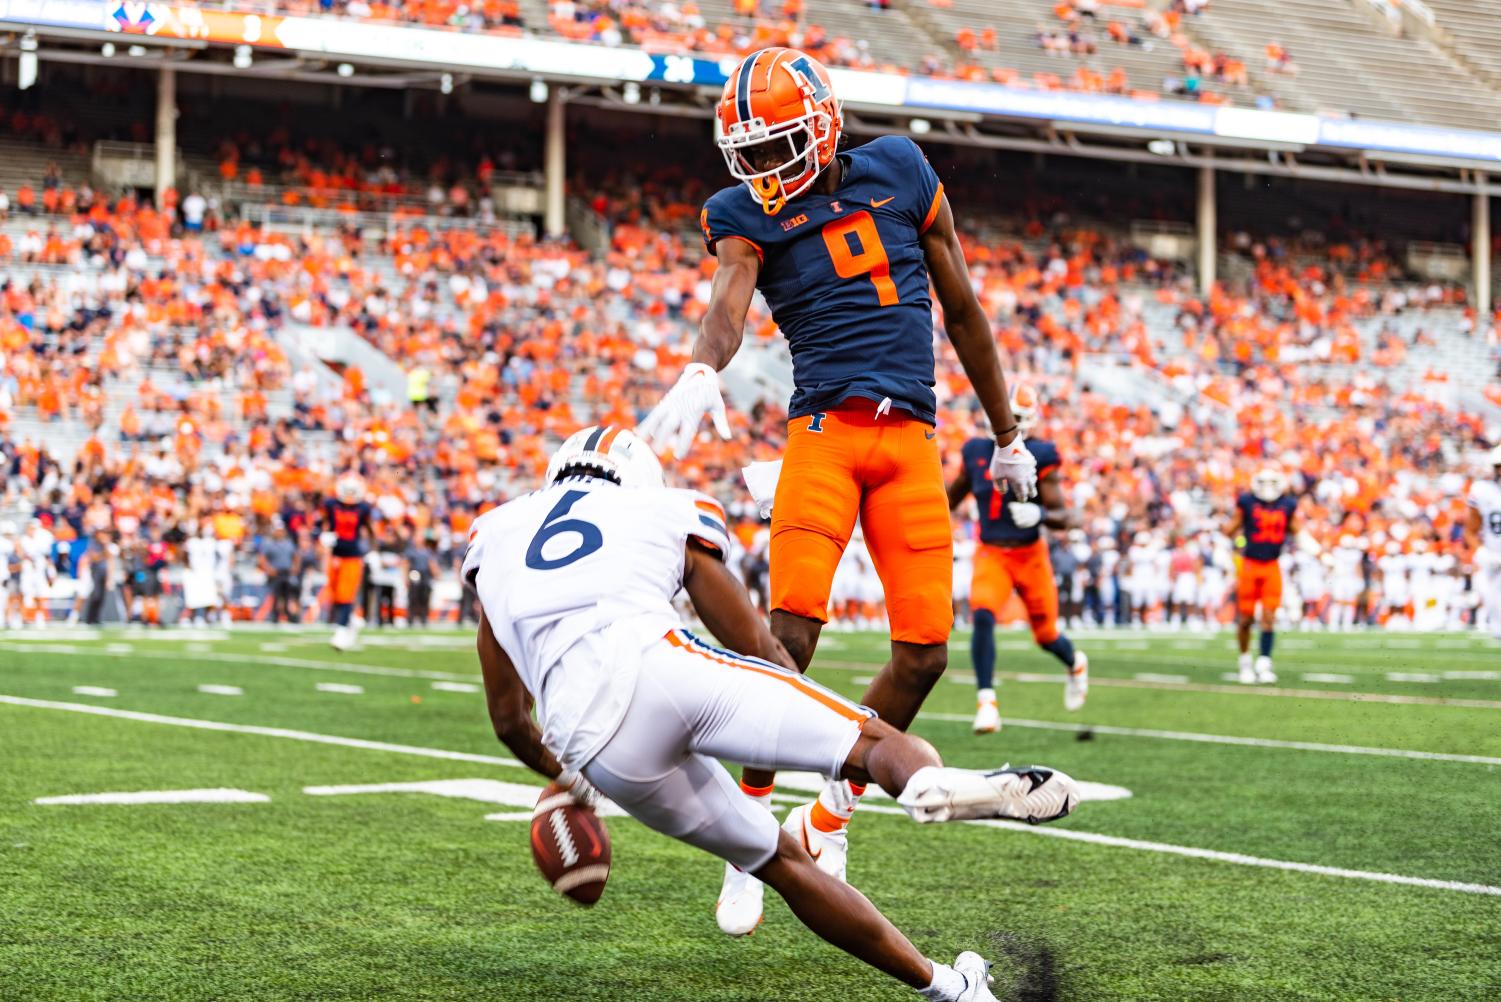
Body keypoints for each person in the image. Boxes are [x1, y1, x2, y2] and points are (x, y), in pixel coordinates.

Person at [638, 47, 1039, 934]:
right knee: (788, 636)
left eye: (778, 146)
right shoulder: (739, 213)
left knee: (925, 655)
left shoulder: (898, 166)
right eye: (749, 153)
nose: (763, 171)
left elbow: (964, 308)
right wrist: (703, 367)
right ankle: (751, 839)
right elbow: (730, 296)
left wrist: (1007, 431)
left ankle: (823, 820)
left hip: (913, 441)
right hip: (822, 432)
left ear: (822, 126)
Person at [467, 426, 1080, 1002]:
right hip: (666, 668)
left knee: (784, 865)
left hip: (596, 748)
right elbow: (754, 646)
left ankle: (948, 987)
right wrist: (805, 715)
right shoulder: (662, 509)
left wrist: (574, 779)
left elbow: (508, 719)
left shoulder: (494, 534)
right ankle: (927, 783)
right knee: (869, 741)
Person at [947, 387, 1088, 733]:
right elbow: (947, 499)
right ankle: (986, 701)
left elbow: (1068, 516)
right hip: (992, 551)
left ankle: (1075, 664)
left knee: (1046, 635)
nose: (1010, 428)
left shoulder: (1041, 453)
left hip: (1030, 555)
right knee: (982, 613)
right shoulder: (976, 451)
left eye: (1018, 422)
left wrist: (1038, 513)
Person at [1227, 467, 1299, 683]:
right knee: (1246, 619)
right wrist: (1235, 541)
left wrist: (1318, 551)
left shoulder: (1287, 505)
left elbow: (1297, 531)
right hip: (1250, 564)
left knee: (1269, 617)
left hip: (1272, 565)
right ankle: (1245, 661)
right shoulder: (1247, 502)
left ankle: (1264, 662)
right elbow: (1231, 529)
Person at [322, 475, 375, 650]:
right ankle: (352, 619)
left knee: (345, 593)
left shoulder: (362, 508)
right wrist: (322, 536)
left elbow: (369, 529)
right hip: (335, 554)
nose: (350, 495)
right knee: (335, 593)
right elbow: (321, 524)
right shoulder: (331, 505)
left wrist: (373, 550)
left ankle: (342, 629)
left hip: (352, 555)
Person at [259, 520, 300, 623]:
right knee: (276, 595)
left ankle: (288, 614)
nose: (279, 533)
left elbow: (296, 556)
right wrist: (268, 569)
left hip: (286, 572)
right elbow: (262, 558)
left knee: (288, 595)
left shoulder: (289, 543)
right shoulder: (269, 544)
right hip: (276, 573)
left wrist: (295, 567)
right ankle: (275, 615)